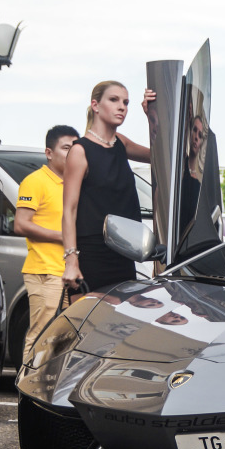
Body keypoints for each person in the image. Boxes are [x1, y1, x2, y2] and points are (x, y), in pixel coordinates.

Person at [62, 81, 152, 295]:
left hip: (124, 252)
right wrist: (71, 261)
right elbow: (68, 211)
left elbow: (162, 156)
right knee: (88, 325)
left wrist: (152, 117)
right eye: (114, 100)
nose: (122, 107)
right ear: (95, 105)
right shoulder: (80, 151)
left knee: (123, 326)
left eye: (126, 102)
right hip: (93, 255)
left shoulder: (120, 142)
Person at [15, 125, 79, 364]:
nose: (71, 153)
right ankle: (27, 392)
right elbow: (21, 225)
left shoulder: (76, 183)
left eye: (75, 148)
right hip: (44, 270)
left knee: (66, 336)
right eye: (65, 148)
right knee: (40, 333)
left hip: (71, 272)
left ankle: (49, 390)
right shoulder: (35, 181)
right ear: (49, 153)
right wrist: (64, 236)